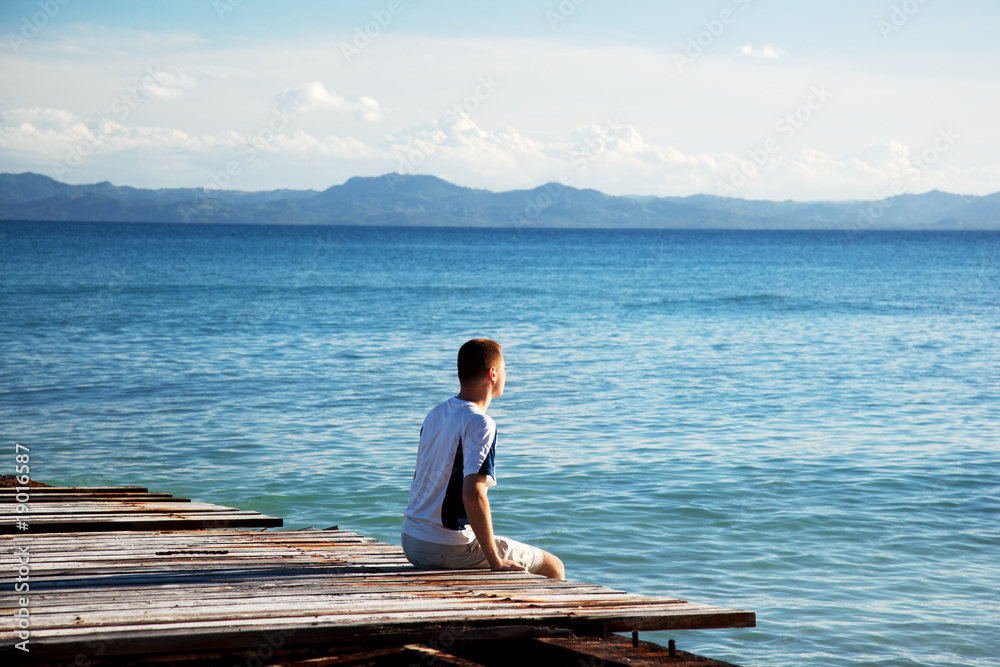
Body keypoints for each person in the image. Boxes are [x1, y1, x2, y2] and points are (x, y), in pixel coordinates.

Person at [401, 338, 565, 580]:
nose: (506, 375)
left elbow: (419, 479)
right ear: (493, 373)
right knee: (553, 566)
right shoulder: (480, 423)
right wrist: (496, 561)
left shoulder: (434, 414)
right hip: (447, 547)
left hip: (411, 541)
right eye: (505, 369)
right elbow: (472, 495)